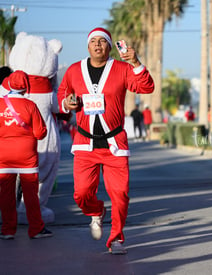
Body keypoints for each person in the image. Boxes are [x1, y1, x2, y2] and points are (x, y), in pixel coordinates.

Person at [57, 27, 154, 255]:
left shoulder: (121, 68)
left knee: (120, 195)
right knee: (80, 194)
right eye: (94, 41)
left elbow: (146, 87)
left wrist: (136, 63)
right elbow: (63, 94)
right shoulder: (74, 70)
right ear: (88, 46)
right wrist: (66, 103)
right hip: (85, 143)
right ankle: (96, 210)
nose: (98, 44)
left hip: (114, 145)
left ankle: (117, 238)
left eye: (103, 41)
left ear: (110, 47)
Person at [0, 70, 53, 240]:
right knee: (30, 195)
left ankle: (8, 230)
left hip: (4, 156)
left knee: (6, 194)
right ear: (26, 87)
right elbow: (40, 133)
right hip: (27, 157)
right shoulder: (30, 106)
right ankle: (36, 229)